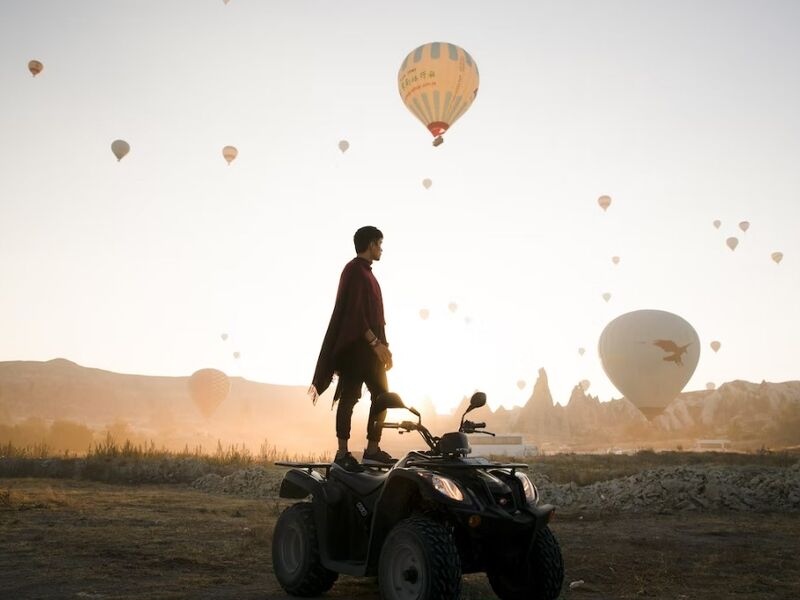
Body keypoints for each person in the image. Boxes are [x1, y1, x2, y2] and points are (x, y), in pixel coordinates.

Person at [309, 226, 396, 472]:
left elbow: (377, 318)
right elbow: (355, 314)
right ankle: (342, 453)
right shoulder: (354, 271)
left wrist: (385, 348)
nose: (381, 249)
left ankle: (372, 451)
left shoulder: (368, 274)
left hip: (372, 351)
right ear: (370, 244)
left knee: (383, 397)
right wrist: (375, 344)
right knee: (349, 397)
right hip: (356, 350)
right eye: (379, 244)